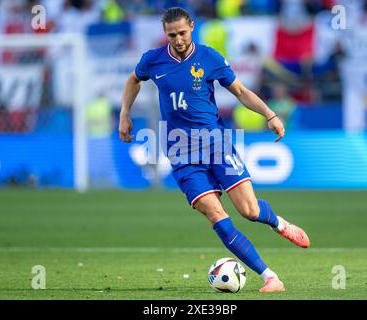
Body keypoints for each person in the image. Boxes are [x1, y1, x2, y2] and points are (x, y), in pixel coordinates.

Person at [118, 7, 310, 293]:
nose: (178, 39)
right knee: (216, 215)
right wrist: (125, 114)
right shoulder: (153, 60)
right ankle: (271, 277)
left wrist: (269, 114)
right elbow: (134, 79)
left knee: (249, 210)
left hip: (216, 143)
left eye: (182, 33)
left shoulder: (209, 58)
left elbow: (241, 92)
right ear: (165, 34)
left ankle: (278, 223)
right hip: (182, 152)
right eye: (172, 35)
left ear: (192, 27)